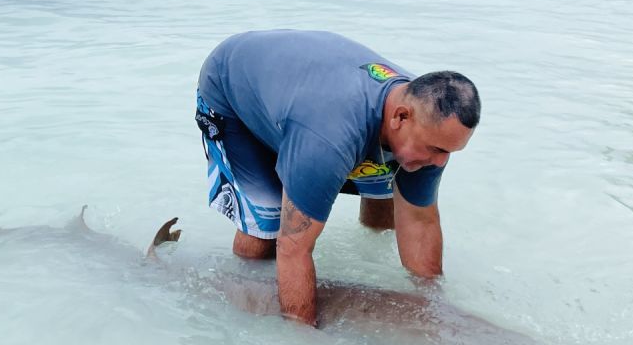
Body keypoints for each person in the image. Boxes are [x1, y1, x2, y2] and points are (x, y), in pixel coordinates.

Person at [195, 30, 480, 326]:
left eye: (450, 152)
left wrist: (434, 312)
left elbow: (420, 221)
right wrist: (303, 343)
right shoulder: (328, 139)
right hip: (233, 92)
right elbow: (293, 248)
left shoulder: (431, 123)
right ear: (400, 117)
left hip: (304, 103)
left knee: (394, 177)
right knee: (265, 227)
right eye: (436, 150)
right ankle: (236, 296)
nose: (441, 162)